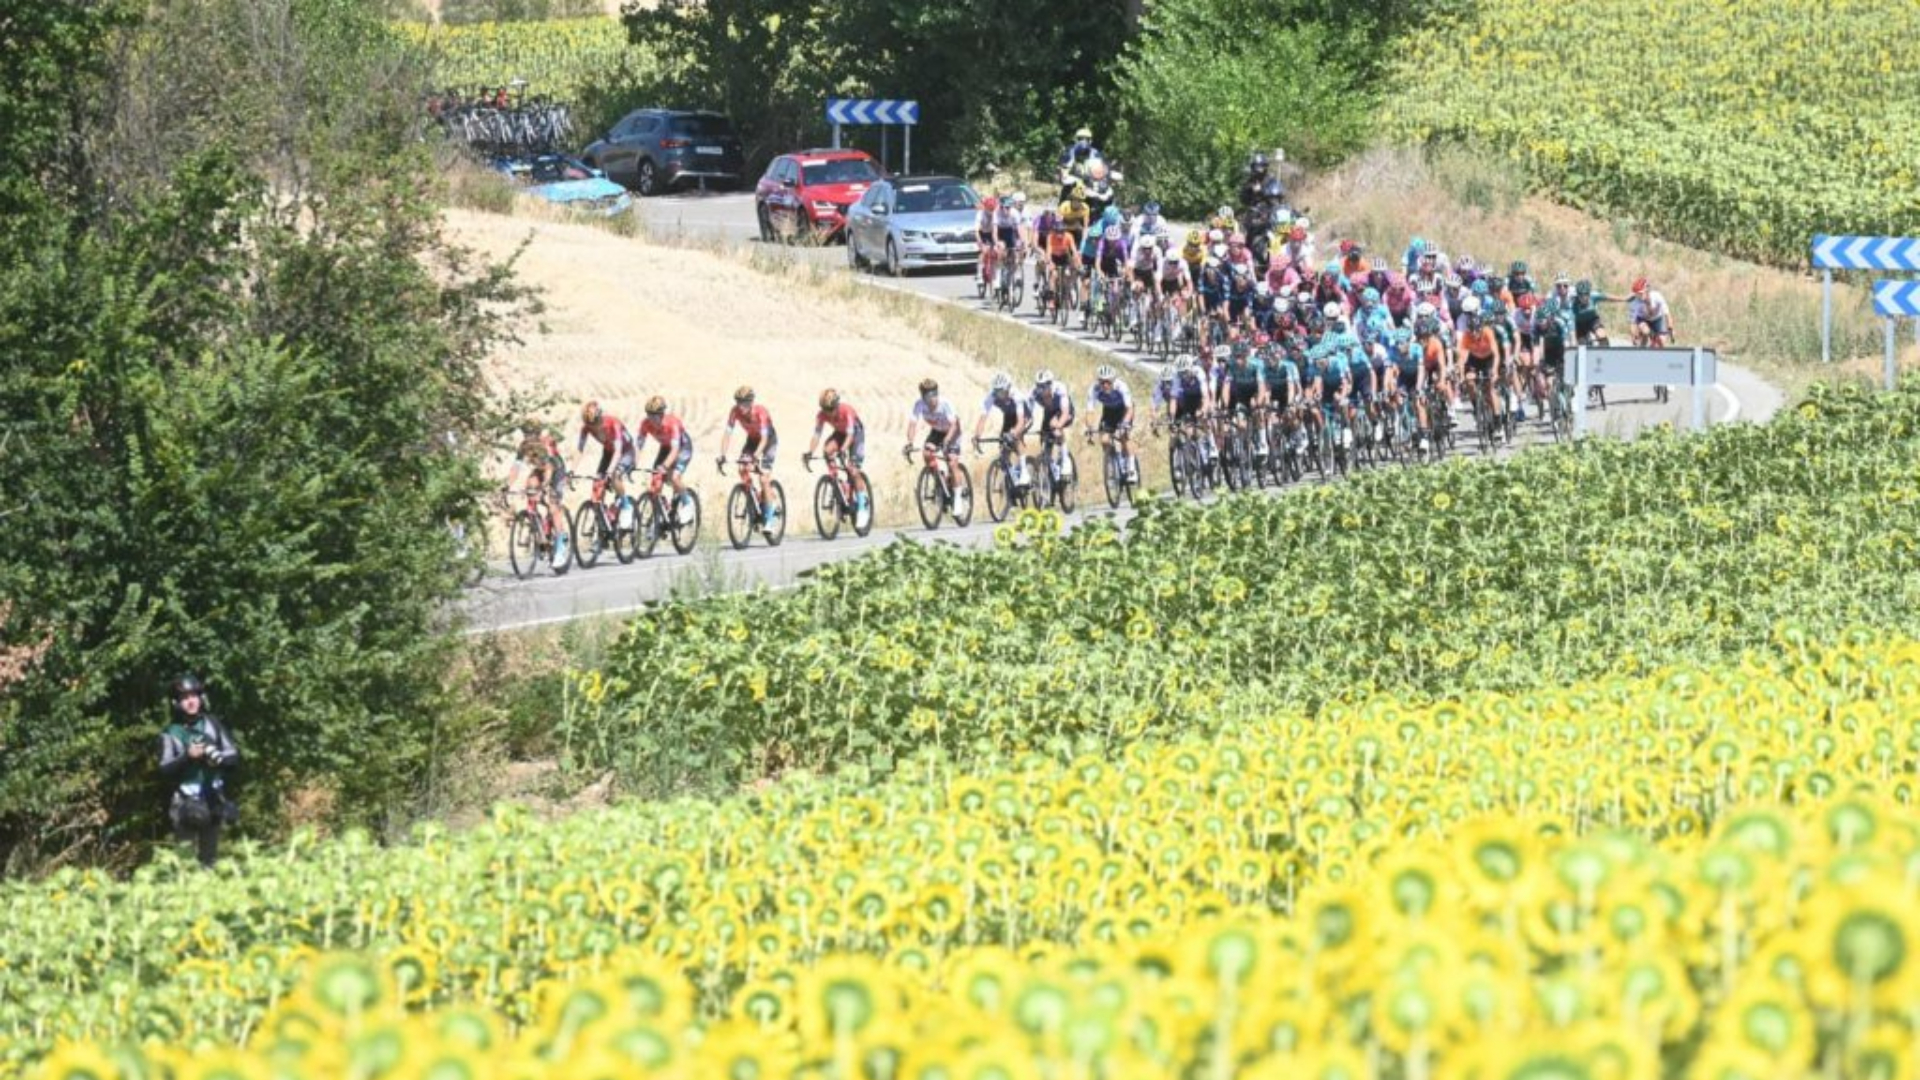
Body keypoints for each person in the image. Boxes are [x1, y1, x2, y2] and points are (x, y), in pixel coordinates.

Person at [158, 674, 240, 869]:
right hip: (185, 801)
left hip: (213, 798)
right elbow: (164, 769)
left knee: (209, 860)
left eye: (194, 696)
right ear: (176, 703)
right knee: (184, 861)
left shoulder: (213, 724)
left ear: (201, 698)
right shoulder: (170, 733)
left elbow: (233, 757)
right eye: (185, 698)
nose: (191, 701)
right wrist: (188, 756)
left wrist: (217, 759)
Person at [505, 418, 571, 564]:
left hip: (556, 471)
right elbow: (516, 468)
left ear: (537, 434)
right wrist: (507, 485)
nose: (528, 438)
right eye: (525, 434)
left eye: (530, 434)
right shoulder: (524, 446)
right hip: (541, 469)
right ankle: (536, 522)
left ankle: (560, 545)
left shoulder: (545, 443)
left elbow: (549, 469)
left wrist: (544, 487)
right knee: (530, 484)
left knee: (553, 505)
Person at [717, 385, 780, 528]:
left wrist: (755, 457)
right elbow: (727, 434)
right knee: (742, 467)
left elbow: (764, 440)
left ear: (751, 402)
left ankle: (769, 519)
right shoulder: (734, 412)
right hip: (752, 440)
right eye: (739, 402)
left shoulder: (761, 413)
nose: (741, 406)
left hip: (768, 441)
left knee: (764, 478)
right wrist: (722, 455)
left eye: (745, 403)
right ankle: (754, 497)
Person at [806, 389, 869, 513]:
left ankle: (863, 506)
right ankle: (836, 481)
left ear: (836, 405)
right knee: (827, 450)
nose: (828, 413)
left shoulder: (847, 411)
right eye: (825, 409)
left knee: (853, 469)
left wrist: (843, 450)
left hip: (856, 434)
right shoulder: (821, 415)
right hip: (840, 433)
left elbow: (850, 435)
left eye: (830, 409)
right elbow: (817, 435)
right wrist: (810, 452)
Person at [973, 372, 1034, 489]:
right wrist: (977, 436)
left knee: (1015, 438)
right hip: (1009, 416)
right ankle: (1013, 478)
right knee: (1003, 447)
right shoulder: (992, 396)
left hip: (1024, 416)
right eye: (996, 392)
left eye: (1001, 391)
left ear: (1007, 388)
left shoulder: (1016, 395)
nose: (999, 395)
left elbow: (1021, 422)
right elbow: (983, 418)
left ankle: (1025, 473)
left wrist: (1014, 433)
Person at [904, 377, 964, 495]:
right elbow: (912, 424)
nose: (932, 399)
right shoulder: (919, 404)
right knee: (927, 454)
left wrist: (946, 441)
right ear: (923, 397)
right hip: (937, 431)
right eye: (928, 397)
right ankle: (939, 480)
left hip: (952, 432)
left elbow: (955, 425)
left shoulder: (945, 404)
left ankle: (958, 499)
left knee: (951, 462)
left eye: (934, 395)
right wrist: (910, 442)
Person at [634, 395, 695, 510]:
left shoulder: (672, 423)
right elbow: (639, 445)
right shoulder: (645, 423)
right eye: (649, 414)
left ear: (662, 414)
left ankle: (688, 503)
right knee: (656, 477)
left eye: (655, 416)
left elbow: (675, 450)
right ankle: (660, 512)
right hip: (666, 447)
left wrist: (665, 466)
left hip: (683, 448)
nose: (651, 419)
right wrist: (633, 463)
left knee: (674, 477)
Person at [1085, 364, 1139, 484]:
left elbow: (1129, 408)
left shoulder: (1121, 386)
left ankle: (1131, 468)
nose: (1105, 385)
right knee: (1104, 440)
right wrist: (1089, 427)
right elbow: (1090, 411)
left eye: (1108, 382)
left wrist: (1125, 424)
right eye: (1102, 382)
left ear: (1113, 380)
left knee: (1123, 436)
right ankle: (1115, 466)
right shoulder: (1094, 389)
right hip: (1109, 412)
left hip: (1124, 410)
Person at [577, 400, 636, 509]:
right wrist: (572, 470)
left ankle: (627, 506)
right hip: (608, 452)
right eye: (590, 425)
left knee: (614, 475)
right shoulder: (586, 428)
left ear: (601, 418)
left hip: (626, 451)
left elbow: (618, 451)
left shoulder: (613, 423)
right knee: (598, 481)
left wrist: (609, 471)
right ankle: (601, 514)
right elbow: (579, 450)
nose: (594, 427)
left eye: (595, 423)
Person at [1057, 126, 1104, 200]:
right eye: (1080, 138)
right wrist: (1064, 175)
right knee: (1065, 196)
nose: (1083, 141)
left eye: (1087, 139)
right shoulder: (1069, 151)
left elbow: (1101, 169)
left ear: (1090, 141)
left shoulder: (1096, 153)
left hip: (1091, 183)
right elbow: (1064, 168)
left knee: (1102, 198)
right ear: (1076, 140)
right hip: (1073, 183)